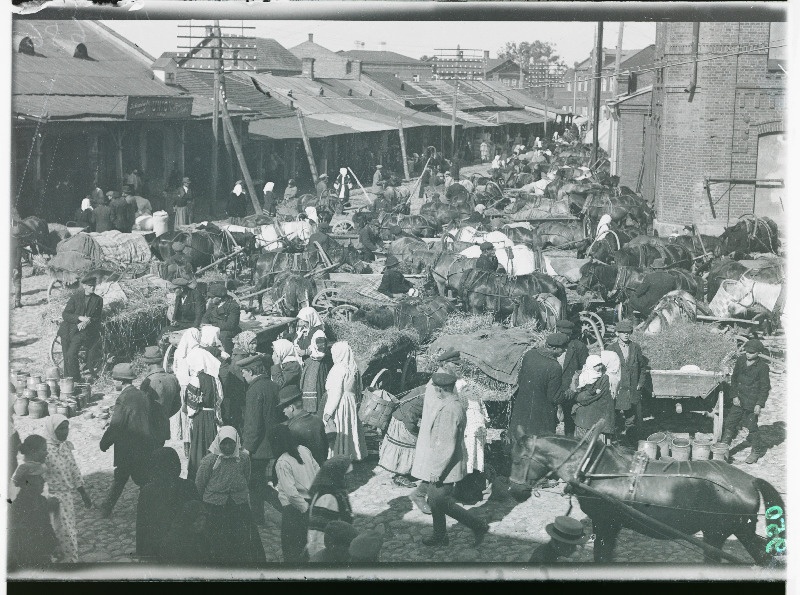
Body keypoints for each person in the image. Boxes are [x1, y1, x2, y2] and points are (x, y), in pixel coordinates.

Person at [412, 365, 489, 547]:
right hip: (448, 463)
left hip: (445, 466)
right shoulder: (453, 404)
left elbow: (446, 444)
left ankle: (476, 526)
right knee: (435, 499)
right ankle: (440, 535)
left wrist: (437, 471)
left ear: (439, 389)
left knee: (440, 500)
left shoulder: (449, 410)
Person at [99, 363, 168, 517]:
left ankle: (106, 508)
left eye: (114, 380)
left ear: (120, 381)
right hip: (145, 445)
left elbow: (116, 425)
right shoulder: (143, 395)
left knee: (121, 478)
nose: (113, 383)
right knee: (143, 478)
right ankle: (150, 507)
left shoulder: (123, 399)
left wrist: (105, 443)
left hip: (127, 448)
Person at [195, 426, 266, 567]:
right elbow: (199, 484)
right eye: (224, 443)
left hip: (238, 505)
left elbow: (246, 476)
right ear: (218, 442)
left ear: (237, 442)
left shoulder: (243, 458)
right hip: (214, 506)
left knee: (241, 540)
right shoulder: (210, 460)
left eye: (231, 443)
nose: (227, 447)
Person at [43, 414, 92, 563]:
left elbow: (74, 470)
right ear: (52, 430)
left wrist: (83, 493)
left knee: (69, 531)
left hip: (67, 498)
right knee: (59, 532)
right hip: (52, 499)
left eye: (66, 428)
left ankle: (71, 562)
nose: (65, 432)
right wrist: (46, 497)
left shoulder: (65, 447)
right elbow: (40, 477)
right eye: (61, 429)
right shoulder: (44, 450)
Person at [240, 354, 282, 525]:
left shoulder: (254, 391)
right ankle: (258, 518)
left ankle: (282, 510)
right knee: (257, 484)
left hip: (259, 448)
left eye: (244, 372)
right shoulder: (273, 386)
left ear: (251, 371)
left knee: (256, 485)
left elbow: (253, 423)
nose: (243, 375)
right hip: (272, 443)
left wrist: (247, 448)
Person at [136, 447, 199, 559]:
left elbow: (142, 525)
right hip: (185, 547)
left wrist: (141, 553)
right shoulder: (189, 486)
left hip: (158, 547)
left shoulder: (147, 491)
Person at [270, 424, 319, 563]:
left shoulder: (282, 462)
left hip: (294, 510)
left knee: (292, 550)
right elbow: (318, 471)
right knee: (308, 546)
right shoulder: (304, 450)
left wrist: (304, 509)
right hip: (310, 502)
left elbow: (291, 493)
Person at [721, 338, 771, 464]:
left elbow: (765, 387)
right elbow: (734, 378)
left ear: (758, 353)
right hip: (739, 399)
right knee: (730, 423)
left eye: (751, 352)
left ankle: (756, 451)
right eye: (747, 351)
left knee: (751, 426)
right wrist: (734, 396)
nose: (748, 354)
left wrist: (759, 404)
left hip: (752, 401)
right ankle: (723, 449)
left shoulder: (763, 367)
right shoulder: (741, 360)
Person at [509, 333, 567, 439]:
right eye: (563, 348)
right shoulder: (555, 367)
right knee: (538, 445)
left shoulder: (530, 354)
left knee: (520, 440)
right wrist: (569, 392)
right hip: (541, 415)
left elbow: (520, 379)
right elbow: (554, 397)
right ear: (554, 348)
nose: (564, 351)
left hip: (522, 409)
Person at [8, 462, 60, 569]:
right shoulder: (20, 505)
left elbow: (46, 524)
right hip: (27, 555)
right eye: (38, 478)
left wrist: (54, 544)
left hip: (41, 553)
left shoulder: (40, 500)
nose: (43, 481)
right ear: (27, 482)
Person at [185, 347, 224, 481]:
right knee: (211, 444)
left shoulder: (195, 380)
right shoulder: (215, 379)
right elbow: (219, 400)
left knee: (199, 447)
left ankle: (198, 477)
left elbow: (191, 405)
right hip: (212, 416)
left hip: (200, 417)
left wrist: (190, 416)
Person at [324, 342, 367, 461]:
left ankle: (339, 454)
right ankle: (351, 453)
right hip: (350, 401)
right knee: (349, 426)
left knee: (340, 427)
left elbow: (336, 392)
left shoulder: (338, 369)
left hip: (340, 403)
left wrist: (328, 411)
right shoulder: (352, 368)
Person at [57, 274, 103, 383]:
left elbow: (98, 318)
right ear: (84, 286)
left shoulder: (98, 300)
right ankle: (68, 380)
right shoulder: (75, 297)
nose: (93, 287)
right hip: (68, 329)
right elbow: (65, 314)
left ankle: (76, 380)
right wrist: (79, 318)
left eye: (94, 285)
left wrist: (88, 320)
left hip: (82, 332)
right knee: (66, 355)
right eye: (90, 285)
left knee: (71, 354)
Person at [306, 456, 354, 558]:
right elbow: (317, 535)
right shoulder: (328, 498)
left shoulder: (338, 493)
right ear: (338, 476)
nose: (351, 478)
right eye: (347, 475)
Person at [607, 320, 646, 439]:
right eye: (623, 332)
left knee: (631, 417)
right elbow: (606, 369)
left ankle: (631, 441)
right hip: (617, 388)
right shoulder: (611, 348)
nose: (626, 334)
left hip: (632, 388)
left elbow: (642, 367)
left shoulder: (635, 347)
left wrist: (640, 383)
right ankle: (616, 440)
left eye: (628, 332)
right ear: (617, 333)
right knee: (615, 416)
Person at [139, 346, 182, 438]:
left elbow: (141, 409)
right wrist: (164, 416)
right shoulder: (173, 379)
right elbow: (178, 404)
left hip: (149, 430)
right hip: (164, 427)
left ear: (147, 364)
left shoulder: (148, 382)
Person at [555, 320, 589, 437]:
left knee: (569, 420)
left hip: (569, 389)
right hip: (553, 388)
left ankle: (569, 442)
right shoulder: (551, 344)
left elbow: (585, 368)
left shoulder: (578, 347)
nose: (565, 337)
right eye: (562, 333)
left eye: (568, 334)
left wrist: (575, 382)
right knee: (551, 419)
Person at [280, 385, 328, 466]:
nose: (283, 411)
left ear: (291, 407)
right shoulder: (318, 420)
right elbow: (325, 449)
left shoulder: (292, 429)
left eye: (284, 407)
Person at [572, 354, 616, 442]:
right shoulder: (583, 376)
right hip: (583, 418)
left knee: (594, 446)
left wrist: (581, 396)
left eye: (600, 364)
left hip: (595, 415)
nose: (599, 367)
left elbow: (583, 397)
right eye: (596, 365)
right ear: (590, 366)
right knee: (582, 446)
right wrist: (583, 395)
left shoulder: (604, 378)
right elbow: (576, 392)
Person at [158, 500, 212, 566]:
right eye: (198, 520)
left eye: (203, 520)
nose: (201, 524)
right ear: (188, 520)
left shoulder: (203, 539)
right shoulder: (174, 539)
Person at [202, 282, 241, 356]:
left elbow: (231, 324)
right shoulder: (213, 304)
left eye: (212, 297)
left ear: (219, 297)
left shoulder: (233, 306)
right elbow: (205, 317)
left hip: (228, 330)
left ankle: (227, 355)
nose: (210, 299)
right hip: (214, 328)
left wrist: (212, 325)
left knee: (224, 336)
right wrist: (205, 324)